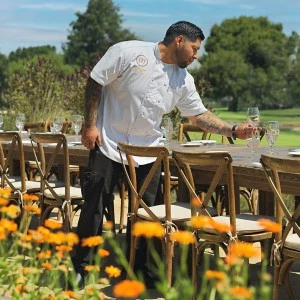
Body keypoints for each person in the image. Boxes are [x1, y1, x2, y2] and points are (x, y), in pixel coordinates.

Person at [71, 20, 254, 288]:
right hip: (108, 142)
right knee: (93, 209)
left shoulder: (183, 79)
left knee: (150, 215)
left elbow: (199, 115)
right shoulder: (128, 52)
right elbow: (95, 82)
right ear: (179, 41)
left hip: (149, 153)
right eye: (194, 48)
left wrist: (234, 130)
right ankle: (81, 267)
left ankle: (138, 272)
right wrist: (89, 125)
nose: (196, 55)